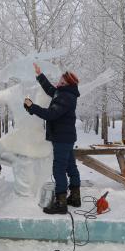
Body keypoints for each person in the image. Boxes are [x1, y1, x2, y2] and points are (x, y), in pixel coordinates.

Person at [24, 63, 81, 214]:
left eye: (62, 82)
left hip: (62, 138)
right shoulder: (64, 93)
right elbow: (51, 90)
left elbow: (51, 114)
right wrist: (39, 75)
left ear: (68, 84)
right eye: (60, 80)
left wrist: (32, 107)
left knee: (59, 169)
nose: (58, 83)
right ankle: (75, 197)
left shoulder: (66, 97)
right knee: (70, 167)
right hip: (66, 137)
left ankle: (61, 203)